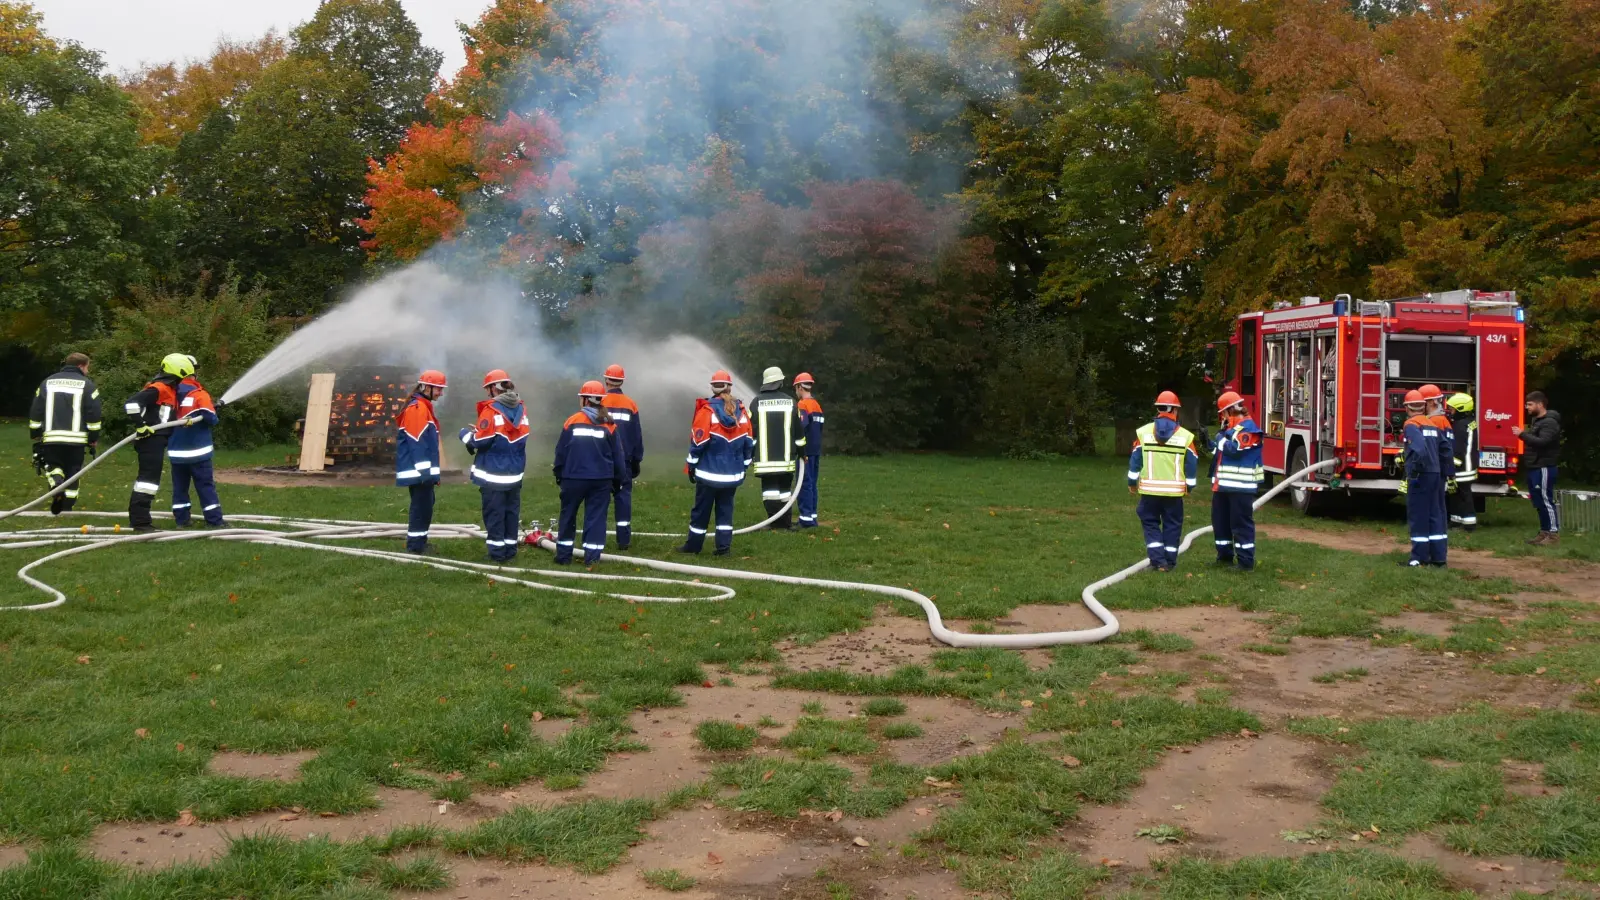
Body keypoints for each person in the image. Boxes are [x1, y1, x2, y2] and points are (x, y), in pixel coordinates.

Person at [679, 370, 754, 556]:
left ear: (713, 387)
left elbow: (699, 442)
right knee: (725, 511)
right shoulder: (742, 413)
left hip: (708, 474)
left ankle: (693, 546)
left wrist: (691, 466)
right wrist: (743, 467)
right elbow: (749, 444)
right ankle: (723, 548)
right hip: (732, 475)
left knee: (701, 511)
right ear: (729, 387)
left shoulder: (707, 411)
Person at [552, 380, 627, 565]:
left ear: (585, 400)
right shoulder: (609, 425)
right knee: (596, 518)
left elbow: (561, 452)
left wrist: (559, 473)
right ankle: (592, 558)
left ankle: (563, 556)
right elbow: (618, 456)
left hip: (573, 477)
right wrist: (618, 480)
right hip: (601, 480)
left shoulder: (572, 421)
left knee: (568, 515)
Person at [460, 370, 529, 562]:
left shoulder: (491, 410)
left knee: (494, 513)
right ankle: (510, 550)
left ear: (493, 388)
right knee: (511, 513)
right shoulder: (521, 409)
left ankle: (497, 554)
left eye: (487, 388)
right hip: (514, 473)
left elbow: (481, 442)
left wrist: (465, 435)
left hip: (493, 474)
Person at [1129, 391, 1198, 572]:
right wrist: (1189, 486)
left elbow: (1135, 459)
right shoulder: (1185, 436)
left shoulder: (1143, 433)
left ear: (1158, 409)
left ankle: (1157, 561)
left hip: (1149, 492)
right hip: (1174, 493)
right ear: (1175, 410)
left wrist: (1131, 482)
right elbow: (1191, 464)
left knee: (1150, 523)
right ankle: (1169, 562)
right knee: (1172, 525)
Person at [28, 352, 101, 516]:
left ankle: (56, 483)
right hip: (76, 440)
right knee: (74, 471)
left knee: (53, 466)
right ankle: (67, 507)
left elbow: (36, 409)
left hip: (52, 437)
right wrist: (93, 438)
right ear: (81, 366)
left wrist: (35, 432)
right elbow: (94, 414)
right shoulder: (88, 385)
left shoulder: (47, 383)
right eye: (87, 367)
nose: (88, 371)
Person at [124, 353, 186, 532]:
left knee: (149, 480)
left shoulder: (170, 390)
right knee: (147, 481)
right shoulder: (159, 388)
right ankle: (140, 522)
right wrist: (141, 426)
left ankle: (139, 518)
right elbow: (131, 404)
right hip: (150, 439)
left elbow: (167, 415)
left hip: (158, 439)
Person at [167, 357, 226, 527]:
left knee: (180, 488)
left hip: (176, 453)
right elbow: (211, 419)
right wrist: (214, 410)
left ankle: (182, 520)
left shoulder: (169, 394)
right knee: (205, 487)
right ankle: (214, 521)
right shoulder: (199, 394)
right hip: (199, 453)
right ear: (193, 373)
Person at [1211, 391, 1263, 571]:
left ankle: (1245, 562)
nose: (1222, 418)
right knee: (1220, 522)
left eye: (1223, 414)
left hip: (1241, 487)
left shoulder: (1248, 429)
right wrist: (1211, 443)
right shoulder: (1232, 430)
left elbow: (1234, 450)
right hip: (1224, 486)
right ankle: (1224, 556)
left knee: (1241, 525)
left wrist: (1219, 439)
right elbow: (1221, 454)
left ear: (1229, 411)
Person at [396, 370, 446, 554]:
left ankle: (420, 542)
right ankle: (416, 546)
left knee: (425, 506)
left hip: (422, 473)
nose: (441, 393)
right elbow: (417, 442)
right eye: (439, 389)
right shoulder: (418, 409)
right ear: (427, 387)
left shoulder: (423, 407)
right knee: (420, 508)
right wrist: (425, 473)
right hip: (419, 473)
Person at [749, 366, 806, 529]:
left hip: (765, 461)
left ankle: (774, 522)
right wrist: (803, 453)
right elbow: (799, 433)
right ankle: (785, 523)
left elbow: (750, 433)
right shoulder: (791, 402)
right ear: (780, 382)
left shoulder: (756, 402)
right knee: (785, 492)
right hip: (787, 459)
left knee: (770, 492)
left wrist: (750, 453)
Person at [1400, 390, 1447, 567]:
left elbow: (1418, 448)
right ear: (1423, 406)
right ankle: (1439, 558)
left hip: (1421, 475)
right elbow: (1445, 449)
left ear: (1406, 407)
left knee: (1418, 516)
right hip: (1435, 474)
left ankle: (1418, 558)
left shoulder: (1411, 424)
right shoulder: (1432, 423)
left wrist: (1414, 468)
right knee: (1435, 515)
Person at [600, 364, 644, 550]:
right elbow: (636, 435)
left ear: (606, 380)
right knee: (623, 497)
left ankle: (596, 537)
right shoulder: (630, 404)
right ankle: (623, 540)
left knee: (599, 499)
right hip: (624, 460)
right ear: (622, 381)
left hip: (601, 459)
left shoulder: (598, 402)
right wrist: (636, 460)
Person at [1512, 390, 1561, 546]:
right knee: (1538, 501)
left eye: (1530, 404)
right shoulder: (1537, 421)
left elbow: (1542, 442)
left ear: (1540, 404)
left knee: (1546, 499)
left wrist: (1522, 434)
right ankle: (1544, 532)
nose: (1527, 407)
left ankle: (1553, 534)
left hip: (1544, 466)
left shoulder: (1550, 422)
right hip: (1534, 466)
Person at [794, 372, 824, 528]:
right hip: (816, 450)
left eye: (796, 388)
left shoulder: (802, 405)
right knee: (812, 484)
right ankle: (812, 517)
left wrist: (799, 448)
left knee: (804, 484)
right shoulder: (816, 405)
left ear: (800, 387)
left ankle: (805, 520)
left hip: (805, 452)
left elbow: (802, 427)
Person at [1446, 392, 1479, 532]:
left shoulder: (1460, 426)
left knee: (1463, 495)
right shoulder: (1470, 422)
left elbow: (1457, 448)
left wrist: (1451, 464)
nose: (1450, 412)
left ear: (1460, 409)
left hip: (1462, 467)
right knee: (1457, 494)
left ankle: (1469, 524)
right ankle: (1456, 521)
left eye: (1452, 409)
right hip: (1469, 466)